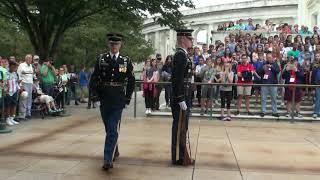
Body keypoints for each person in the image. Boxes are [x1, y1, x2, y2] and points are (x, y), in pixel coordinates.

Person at [89, 33, 135, 171]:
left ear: (120, 45)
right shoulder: (101, 59)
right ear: (108, 44)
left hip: (118, 100)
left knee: (112, 128)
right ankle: (115, 149)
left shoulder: (126, 61)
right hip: (104, 99)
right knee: (109, 129)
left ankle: (107, 159)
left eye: (117, 44)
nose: (114, 46)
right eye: (112, 44)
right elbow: (94, 80)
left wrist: (127, 98)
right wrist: (95, 98)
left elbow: (131, 80)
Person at [171, 29, 194, 166]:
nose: (191, 41)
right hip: (182, 96)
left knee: (183, 127)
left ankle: (181, 155)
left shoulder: (184, 55)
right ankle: (179, 157)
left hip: (185, 94)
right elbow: (177, 79)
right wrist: (180, 98)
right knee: (179, 127)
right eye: (189, 38)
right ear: (183, 39)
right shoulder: (180, 55)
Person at [258, 52, 280, 117]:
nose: (268, 59)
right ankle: (263, 111)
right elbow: (259, 72)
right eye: (267, 58)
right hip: (264, 84)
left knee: (274, 99)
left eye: (270, 57)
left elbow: (278, 71)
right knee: (263, 98)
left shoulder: (275, 64)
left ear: (272, 58)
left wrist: (272, 67)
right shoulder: (263, 63)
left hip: (273, 84)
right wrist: (262, 68)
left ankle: (274, 112)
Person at [17, 54, 34, 120]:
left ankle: (28, 113)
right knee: (24, 99)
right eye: (29, 58)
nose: (30, 60)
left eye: (31, 58)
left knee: (29, 99)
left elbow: (31, 76)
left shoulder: (31, 66)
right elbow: (19, 75)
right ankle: (22, 115)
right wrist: (20, 85)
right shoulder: (21, 65)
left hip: (30, 83)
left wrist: (32, 84)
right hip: (24, 83)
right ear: (26, 59)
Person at [5, 61, 20, 126]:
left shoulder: (15, 73)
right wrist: (6, 91)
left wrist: (18, 88)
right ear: (10, 66)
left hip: (14, 91)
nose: (14, 69)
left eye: (15, 67)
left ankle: (12, 118)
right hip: (8, 92)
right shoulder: (6, 73)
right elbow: (5, 83)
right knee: (8, 105)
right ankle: (8, 119)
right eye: (13, 67)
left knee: (14, 105)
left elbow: (16, 82)